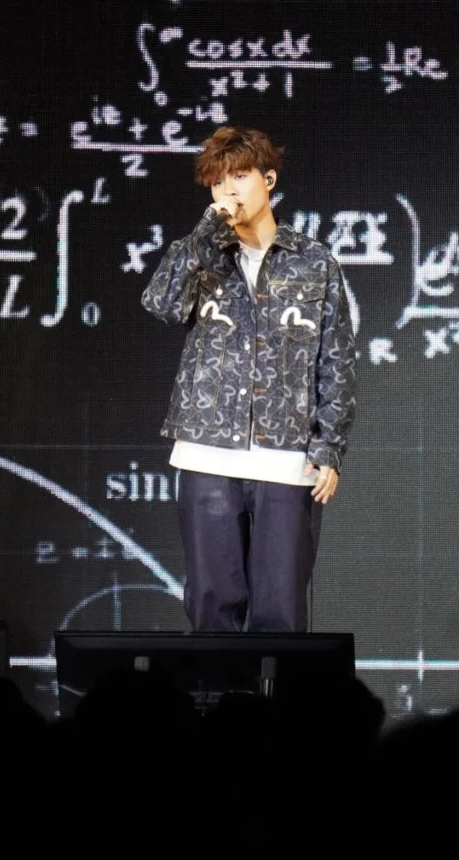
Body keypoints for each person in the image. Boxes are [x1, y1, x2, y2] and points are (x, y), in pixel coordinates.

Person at [141, 125, 356, 633]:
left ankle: (275, 690)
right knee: (212, 602)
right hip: (207, 450)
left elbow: (337, 358)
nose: (228, 191)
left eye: (239, 176)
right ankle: (215, 689)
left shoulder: (314, 262)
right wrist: (203, 234)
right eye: (218, 182)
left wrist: (329, 445)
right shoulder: (202, 254)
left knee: (279, 607)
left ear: (269, 179)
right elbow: (161, 304)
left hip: (286, 453)